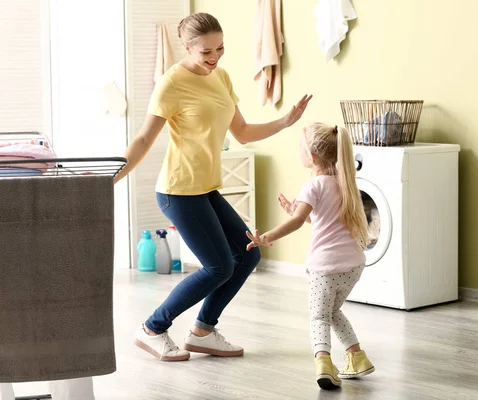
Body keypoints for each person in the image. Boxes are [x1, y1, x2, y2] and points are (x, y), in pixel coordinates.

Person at [113, 12, 312, 362]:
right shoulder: (171, 83)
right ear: (187, 47)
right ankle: (152, 329)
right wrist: (111, 178)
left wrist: (285, 121)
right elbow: (144, 138)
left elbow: (243, 132)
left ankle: (203, 331)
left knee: (248, 253)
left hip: (205, 188)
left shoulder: (221, 76)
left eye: (220, 48)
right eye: (206, 51)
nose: (215, 56)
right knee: (219, 266)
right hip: (178, 189)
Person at [245, 122, 375, 390]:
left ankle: (324, 363)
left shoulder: (313, 185)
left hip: (325, 268)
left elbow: (297, 222)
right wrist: (297, 210)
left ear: (312, 156)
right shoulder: (345, 184)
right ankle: (357, 356)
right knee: (333, 310)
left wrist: (267, 237)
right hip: (352, 266)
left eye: (300, 148)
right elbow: (323, 222)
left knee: (319, 317)